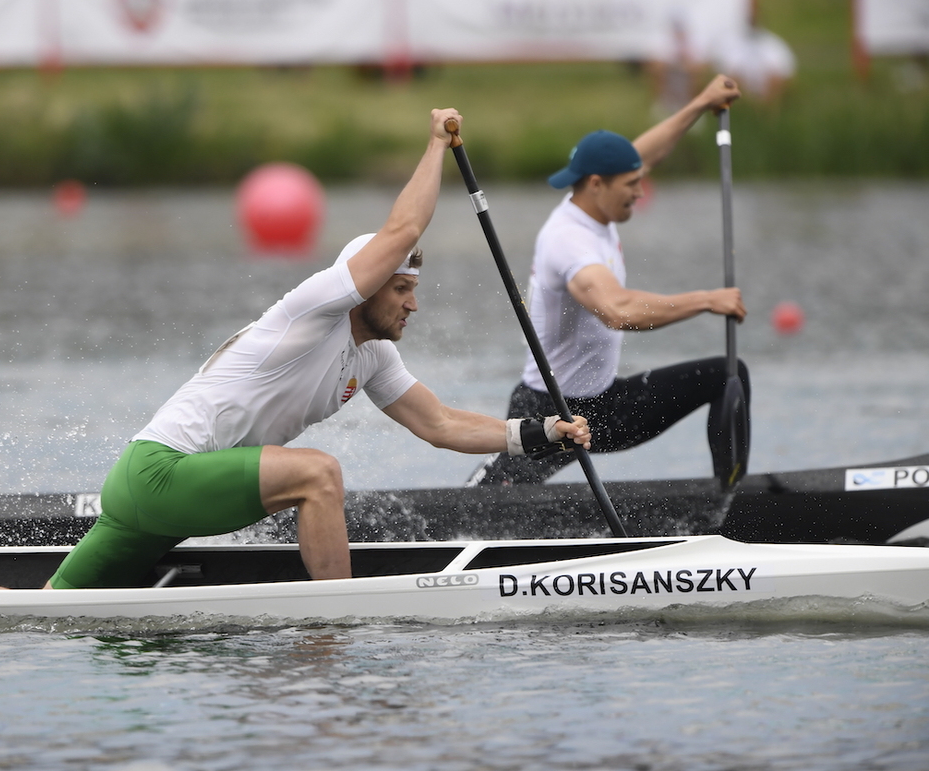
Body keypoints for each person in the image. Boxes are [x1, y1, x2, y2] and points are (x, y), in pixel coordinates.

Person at [45, 108, 591, 589]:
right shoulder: (315, 309)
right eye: (401, 289)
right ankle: (339, 617)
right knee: (318, 474)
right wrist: (434, 145)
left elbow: (443, 425)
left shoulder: (373, 356)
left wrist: (543, 433)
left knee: (50, 605)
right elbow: (401, 231)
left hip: (167, 496)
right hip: (159, 474)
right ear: (366, 286)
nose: (412, 306)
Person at [469, 76, 747, 488]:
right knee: (489, 512)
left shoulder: (598, 197)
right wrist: (705, 299)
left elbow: (645, 153)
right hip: (551, 412)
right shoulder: (569, 240)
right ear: (597, 183)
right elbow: (618, 311)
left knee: (727, 373)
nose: (640, 192)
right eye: (632, 185)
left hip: (607, 406)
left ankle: (730, 497)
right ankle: (483, 493)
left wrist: (700, 103)